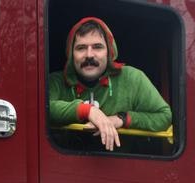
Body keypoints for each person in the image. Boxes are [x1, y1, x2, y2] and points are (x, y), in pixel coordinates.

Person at [47, 17, 173, 151]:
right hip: (65, 168)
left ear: (109, 52)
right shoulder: (56, 81)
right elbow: (40, 108)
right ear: (71, 55)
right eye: (81, 48)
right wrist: (88, 111)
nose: (89, 55)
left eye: (97, 47)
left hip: (120, 167)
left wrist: (122, 119)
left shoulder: (133, 78)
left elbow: (164, 117)